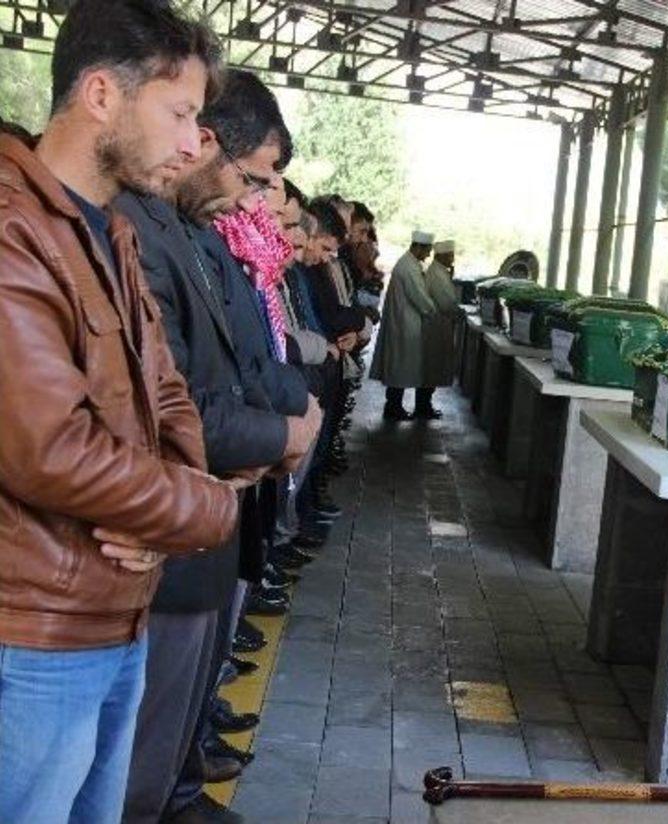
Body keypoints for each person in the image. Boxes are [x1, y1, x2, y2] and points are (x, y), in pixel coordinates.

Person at [0, 2, 242, 822]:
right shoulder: (14, 228)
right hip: (35, 629)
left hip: (114, 611)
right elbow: (48, 448)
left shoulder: (112, 232)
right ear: (101, 94)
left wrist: (163, 517)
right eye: (179, 113)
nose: (193, 144)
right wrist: (204, 508)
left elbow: (169, 397)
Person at [114, 67, 322, 824]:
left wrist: (289, 421)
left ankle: (178, 795)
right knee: (131, 767)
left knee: (167, 733)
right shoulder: (131, 230)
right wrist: (281, 432)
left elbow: (239, 365)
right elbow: (166, 408)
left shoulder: (188, 231)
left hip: (201, 516)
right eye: (180, 117)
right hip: (156, 531)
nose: (188, 141)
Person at [371, 230, 438, 421]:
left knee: (399, 367)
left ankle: (395, 406)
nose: (428, 254)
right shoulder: (408, 267)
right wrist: (434, 310)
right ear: (418, 247)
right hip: (405, 324)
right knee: (399, 368)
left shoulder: (409, 264)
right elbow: (420, 298)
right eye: (427, 250)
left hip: (404, 322)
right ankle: (393, 408)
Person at [421, 239, 462, 417]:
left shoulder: (440, 271)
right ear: (441, 256)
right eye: (450, 255)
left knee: (432, 368)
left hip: (439, 325)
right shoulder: (436, 274)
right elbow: (446, 303)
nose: (452, 259)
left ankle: (425, 405)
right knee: (431, 368)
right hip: (435, 326)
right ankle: (423, 407)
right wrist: (458, 312)